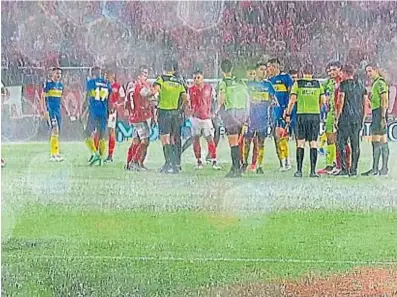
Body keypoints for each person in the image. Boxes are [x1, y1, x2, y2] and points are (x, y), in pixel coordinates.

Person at [285, 64, 325, 178]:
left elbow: (292, 100)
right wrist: (317, 108)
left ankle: (299, 171)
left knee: (300, 142)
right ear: (312, 73)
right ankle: (313, 171)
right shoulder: (318, 84)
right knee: (313, 142)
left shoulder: (298, 84)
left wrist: (288, 113)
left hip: (301, 115)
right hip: (314, 116)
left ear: (302, 73)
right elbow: (323, 100)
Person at [153, 60, 188, 174]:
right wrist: (180, 110)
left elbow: (155, 92)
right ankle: (176, 164)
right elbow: (186, 99)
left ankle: (168, 164)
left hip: (164, 112)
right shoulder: (179, 81)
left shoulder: (161, 79)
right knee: (174, 138)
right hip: (175, 114)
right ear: (173, 70)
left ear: (164, 68)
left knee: (165, 139)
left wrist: (151, 98)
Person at [217, 60, 250, 178]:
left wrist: (216, 111)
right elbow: (247, 98)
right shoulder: (240, 82)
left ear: (221, 70)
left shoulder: (224, 83)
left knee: (233, 143)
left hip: (231, 113)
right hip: (242, 113)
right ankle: (237, 166)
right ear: (231, 69)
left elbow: (221, 99)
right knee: (239, 142)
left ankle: (236, 168)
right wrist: (246, 116)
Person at [335, 65, 367, 176]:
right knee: (355, 144)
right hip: (357, 118)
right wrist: (363, 118)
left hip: (345, 118)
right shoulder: (361, 86)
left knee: (341, 142)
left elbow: (341, 101)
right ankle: (354, 170)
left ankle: (344, 169)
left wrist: (337, 117)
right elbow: (365, 103)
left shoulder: (343, 85)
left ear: (345, 73)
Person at [244, 63, 276, 174]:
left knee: (261, 143)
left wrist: (272, 102)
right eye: (261, 69)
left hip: (263, 119)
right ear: (256, 71)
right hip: (250, 118)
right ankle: (244, 163)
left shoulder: (268, 85)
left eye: (265, 70)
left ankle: (259, 165)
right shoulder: (248, 85)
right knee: (247, 142)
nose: (264, 71)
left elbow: (273, 100)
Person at [188, 70, 221, 170]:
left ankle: (214, 161)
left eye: (198, 77)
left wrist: (214, 112)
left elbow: (217, 100)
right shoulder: (190, 89)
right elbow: (188, 102)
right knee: (196, 139)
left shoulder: (209, 88)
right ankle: (199, 162)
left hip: (206, 118)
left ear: (202, 78)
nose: (196, 80)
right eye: (194, 78)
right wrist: (189, 111)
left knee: (210, 139)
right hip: (195, 118)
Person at [362, 64, 390, 176]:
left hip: (379, 113)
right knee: (383, 141)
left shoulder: (380, 83)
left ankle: (375, 168)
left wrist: (383, 117)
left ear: (375, 70)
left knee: (376, 141)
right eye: (367, 72)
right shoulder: (376, 84)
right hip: (378, 112)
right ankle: (383, 169)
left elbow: (384, 100)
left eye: (370, 71)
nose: (368, 74)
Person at [125, 66, 154, 171]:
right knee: (145, 141)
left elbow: (127, 102)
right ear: (138, 75)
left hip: (134, 116)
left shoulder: (131, 86)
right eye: (144, 74)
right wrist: (155, 90)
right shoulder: (139, 85)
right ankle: (135, 162)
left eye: (147, 74)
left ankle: (130, 163)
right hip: (140, 116)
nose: (146, 76)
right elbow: (147, 94)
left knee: (136, 141)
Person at [267, 58, 294, 171]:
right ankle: (282, 162)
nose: (268, 69)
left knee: (282, 136)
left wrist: (287, 111)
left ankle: (286, 162)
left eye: (269, 67)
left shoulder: (285, 78)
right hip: (273, 113)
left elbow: (291, 94)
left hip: (283, 112)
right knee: (276, 138)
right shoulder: (269, 81)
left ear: (275, 66)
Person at [84, 66, 112, 166]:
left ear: (93, 73)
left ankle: (94, 153)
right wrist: (108, 112)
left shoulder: (91, 83)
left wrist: (83, 111)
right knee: (101, 135)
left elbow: (87, 97)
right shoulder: (107, 84)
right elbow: (109, 100)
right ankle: (101, 158)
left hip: (94, 112)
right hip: (103, 112)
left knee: (87, 134)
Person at [42, 67, 65, 162]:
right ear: (52, 74)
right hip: (51, 111)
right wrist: (45, 111)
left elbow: (61, 99)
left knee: (57, 131)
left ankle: (56, 153)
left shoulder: (60, 85)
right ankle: (53, 154)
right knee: (55, 130)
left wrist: (66, 109)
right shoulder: (48, 84)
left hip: (58, 111)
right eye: (56, 73)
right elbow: (42, 98)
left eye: (60, 73)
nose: (58, 75)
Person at [104, 71, 125, 163]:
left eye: (108, 74)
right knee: (99, 132)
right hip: (102, 111)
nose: (106, 76)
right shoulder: (103, 85)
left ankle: (110, 155)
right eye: (105, 75)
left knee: (111, 132)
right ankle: (97, 153)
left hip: (112, 112)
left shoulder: (118, 86)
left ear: (113, 75)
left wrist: (118, 105)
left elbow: (124, 98)